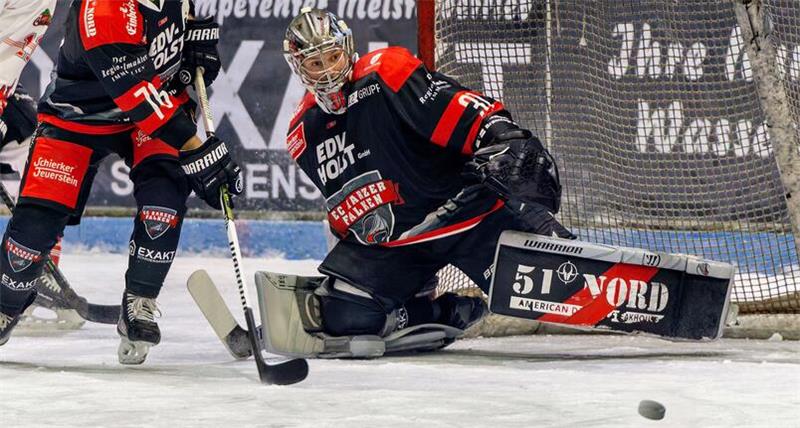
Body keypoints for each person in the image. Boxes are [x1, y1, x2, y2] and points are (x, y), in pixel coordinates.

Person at [271, 8, 573, 357]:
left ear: (347, 48)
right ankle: (450, 311)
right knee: (346, 316)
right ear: (298, 67)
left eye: (333, 56)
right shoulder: (303, 135)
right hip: (403, 244)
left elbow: (454, 107)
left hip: (467, 215)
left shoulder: (384, 73)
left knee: (557, 293)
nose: (327, 70)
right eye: (315, 63)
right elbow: (345, 206)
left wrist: (500, 134)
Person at [0, 0, 243, 366]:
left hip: (152, 106)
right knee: (34, 227)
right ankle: (5, 305)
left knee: (165, 199)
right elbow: (136, 95)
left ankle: (140, 301)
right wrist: (198, 149)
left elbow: (182, 32)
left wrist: (196, 47)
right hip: (78, 117)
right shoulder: (104, 9)